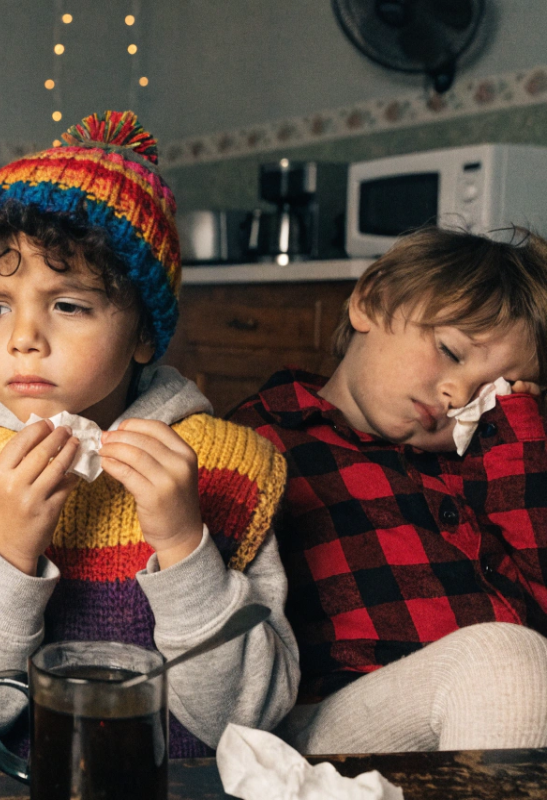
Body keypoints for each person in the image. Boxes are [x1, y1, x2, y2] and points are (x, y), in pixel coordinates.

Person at [0, 111, 299, 758]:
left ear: (144, 333)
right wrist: (6, 551)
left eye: (68, 305)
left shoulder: (229, 468)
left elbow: (250, 719)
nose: (23, 337)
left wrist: (182, 543)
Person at [229, 225, 547, 754]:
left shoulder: (494, 467)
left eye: (495, 390)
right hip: (336, 721)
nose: (457, 393)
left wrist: (515, 430)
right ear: (372, 300)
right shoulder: (257, 442)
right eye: (449, 350)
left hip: (502, 722)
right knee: (503, 659)